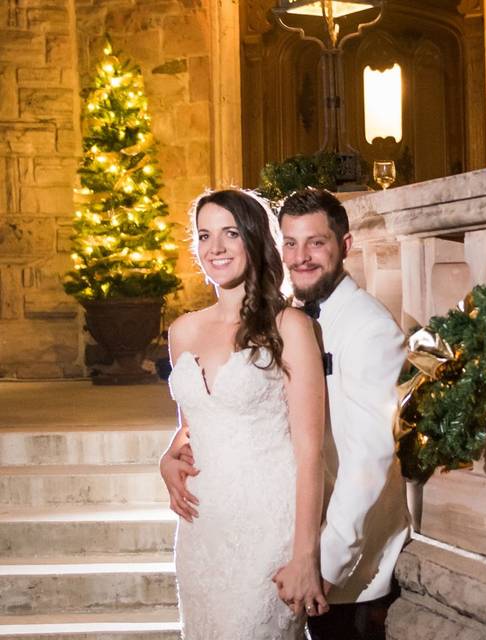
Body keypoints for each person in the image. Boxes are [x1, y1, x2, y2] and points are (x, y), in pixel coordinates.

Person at [159, 189, 329, 638]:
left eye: (230, 233)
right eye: (204, 235)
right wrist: (168, 457)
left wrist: (305, 555)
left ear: (254, 240)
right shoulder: (182, 330)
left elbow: (311, 452)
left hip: (267, 527)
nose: (215, 247)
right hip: (202, 529)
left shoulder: (289, 326)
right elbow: (194, 424)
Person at [279, 188, 409, 640]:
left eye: (316, 242)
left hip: (346, 572)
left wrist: (326, 561)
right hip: (296, 544)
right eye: (291, 244)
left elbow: (369, 459)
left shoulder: (369, 328)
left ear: (346, 246)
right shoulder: (287, 316)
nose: (301, 257)